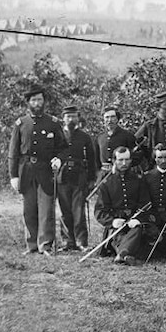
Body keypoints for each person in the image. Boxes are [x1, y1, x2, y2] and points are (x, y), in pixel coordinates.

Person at [8, 86, 67, 256]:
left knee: (46, 209)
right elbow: (13, 152)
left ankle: (45, 245)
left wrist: (59, 159)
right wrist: (13, 175)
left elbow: (63, 148)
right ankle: (32, 245)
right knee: (29, 209)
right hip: (26, 171)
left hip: (46, 171)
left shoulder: (53, 123)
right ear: (28, 103)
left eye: (40, 99)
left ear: (44, 102)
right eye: (33, 100)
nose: (37, 103)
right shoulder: (21, 124)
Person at [94, 146, 155, 265]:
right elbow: (100, 211)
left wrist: (138, 219)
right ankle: (126, 254)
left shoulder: (138, 179)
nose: (124, 163)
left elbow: (146, 204)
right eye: (120, 160)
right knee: (119, 234)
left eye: (127, 160)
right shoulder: (106, 183)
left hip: (134, 220)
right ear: (114, 161)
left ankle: (122, 254)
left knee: (137, 229)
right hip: (117, 224)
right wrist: (112, 221)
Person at [55, 105, 97, 252]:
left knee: (78, 211)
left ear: (78, 118)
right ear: (63, 118)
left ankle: (81, 242)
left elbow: (92, 159)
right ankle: (67, 242)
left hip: (79, 177)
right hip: (62, 176)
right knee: (65, 210)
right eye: (68, 116)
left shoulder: (85, 137)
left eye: (74, 116)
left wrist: (92, 179)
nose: (71, 119)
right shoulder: (58, 135)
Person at [95, 107, 138, 172]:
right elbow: (96, 158)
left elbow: (136, 156)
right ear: (103, 119)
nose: (109, 120)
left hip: (122, 173)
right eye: (107, 117)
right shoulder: (100, 137)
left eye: (112, 117)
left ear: (117, 119)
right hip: (104, 175)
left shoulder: (127, 136)